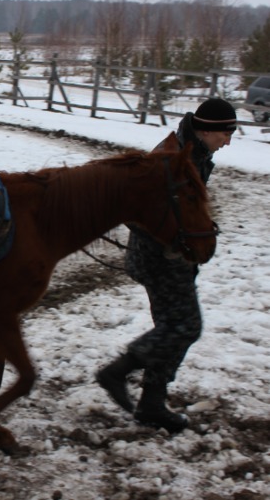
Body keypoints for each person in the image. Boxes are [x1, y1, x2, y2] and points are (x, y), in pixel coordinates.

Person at [96, 98, 237, 433]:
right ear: (208, 129)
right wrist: (174, 243)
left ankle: (152, 403)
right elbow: (132, 207)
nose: (229, 141)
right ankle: (118, 371)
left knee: (173, 330)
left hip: (173, 257)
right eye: (226, 133)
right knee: (185, 327)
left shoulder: (195, 152)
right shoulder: (170, 158)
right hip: (160, 259)